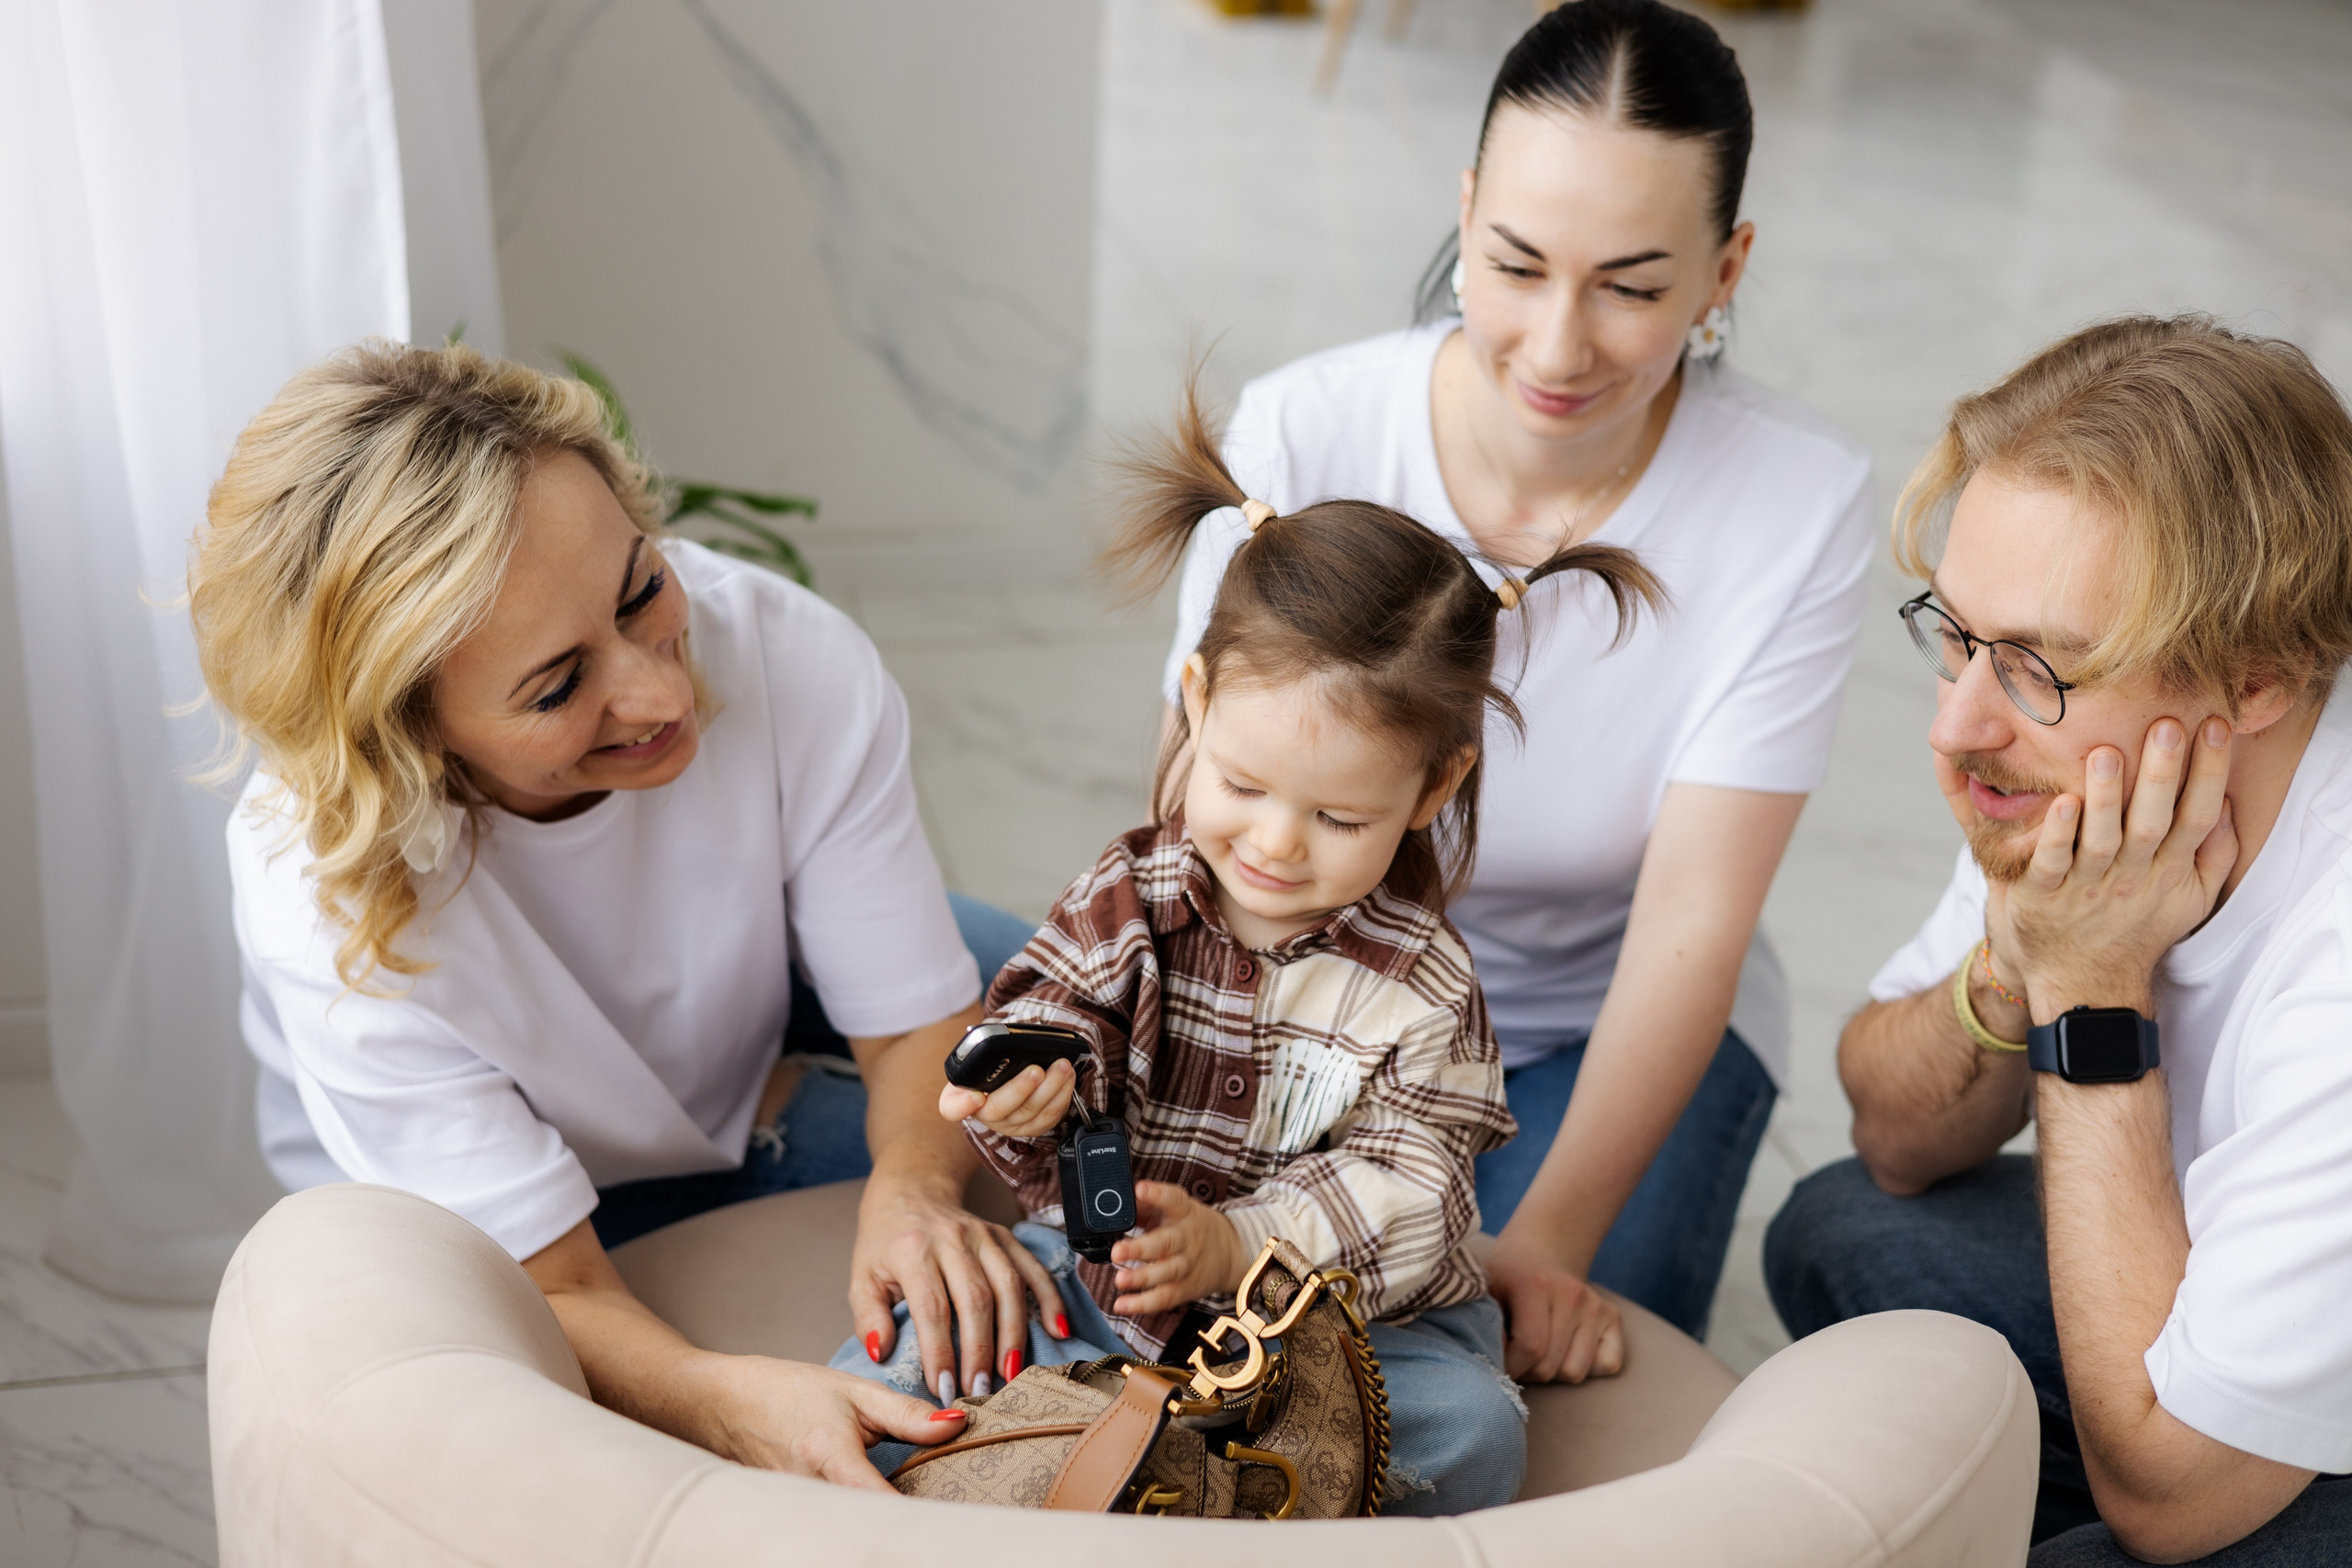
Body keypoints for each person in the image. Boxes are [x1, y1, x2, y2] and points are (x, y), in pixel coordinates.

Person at [189, 342, 1063, 1489]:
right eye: (557, 687)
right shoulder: (326, 895)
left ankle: (783, 1089)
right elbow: (558, 1286)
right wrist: (726, 1402)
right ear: (410, 736)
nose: (660, 694)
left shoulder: (779, 648)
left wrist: (910, 1194)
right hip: (560, 1190)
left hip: (740, 994)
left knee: (1063, 1037)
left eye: (642, 589)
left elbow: (913, 1025)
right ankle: (772, 1109)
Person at [1162, 0, 1873, 1373]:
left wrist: (1544, 1236)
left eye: (1633, 286)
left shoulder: (1799, 500)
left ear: (1727, 271)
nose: (1557, 348)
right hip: (1301, 993)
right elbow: (1210, 807)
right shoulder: (1308, 426)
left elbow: (1690, 927)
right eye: (1518, 265)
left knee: (1527, 1378)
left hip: (1586, 1033)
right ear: (1469, 207)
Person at [835, 385, 1662, 1512]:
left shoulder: (1424, 988)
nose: (1274, 843)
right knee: (878, 1379)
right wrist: (1034, 1083)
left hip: (1335, 1333)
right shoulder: (1129, 891)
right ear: (1197, 701)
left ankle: (1138, 1455)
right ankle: (1183, 1458)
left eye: (1338, 819)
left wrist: (1239, 1249)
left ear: (1434, 788)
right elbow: (1056, 1006)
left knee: (1471, 1433)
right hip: (1103, 1296)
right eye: (1241, 785)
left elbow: (1414, 1195)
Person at [1764, 316, 2352, 1563]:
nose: (1960, 720)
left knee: (2112, 1537)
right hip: (2246, 1300)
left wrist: (2092, 990)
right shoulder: (2081, 760)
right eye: (1958, 635)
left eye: (2036, 663)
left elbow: (2169, 1493)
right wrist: (2018, 954)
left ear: (2258, 678)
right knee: (1846, 1230)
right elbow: (1896, 1130)